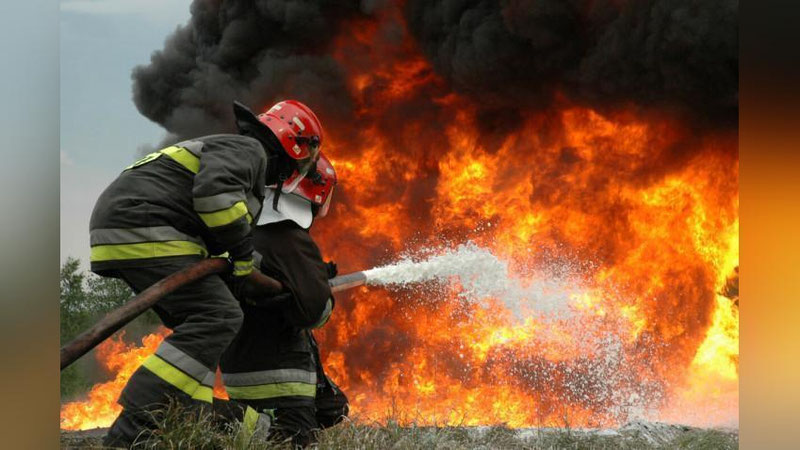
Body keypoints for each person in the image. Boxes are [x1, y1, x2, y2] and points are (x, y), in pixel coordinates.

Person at [89, 99, 325, 447]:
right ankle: (134, 426)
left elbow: (219, 234)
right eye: (305, 161)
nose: (298, 170)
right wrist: (245, 265)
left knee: (199, 330)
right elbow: (215, 199)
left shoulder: (235, 153)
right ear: (293, 144)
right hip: (145, 223)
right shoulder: (249, 151)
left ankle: (185, 418)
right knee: (219, 315)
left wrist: (250, 272)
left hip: (129, 227)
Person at [219, 153, 349, 447]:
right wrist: (317, 288)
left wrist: (307, 280)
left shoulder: (244, 231)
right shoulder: (288, 236)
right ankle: (214, 418)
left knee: (333, 408)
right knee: (292, 441)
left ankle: (242, 425)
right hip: (280, 377)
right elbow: (315, 313)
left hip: (239, 370)